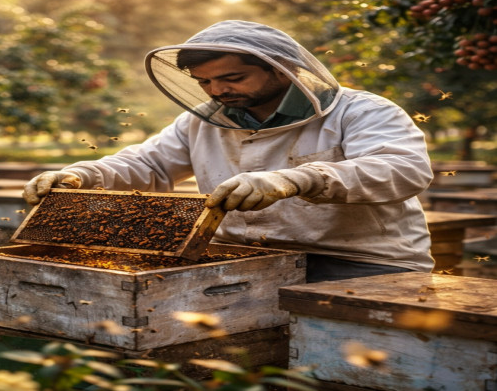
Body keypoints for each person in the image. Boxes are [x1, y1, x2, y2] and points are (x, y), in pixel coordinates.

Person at [22, 20, 435, 283]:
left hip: (361, 262)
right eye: (205, 82)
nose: (218, 90)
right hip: (244, 260)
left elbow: (404, 169)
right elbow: (147, 163)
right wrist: (82, 175)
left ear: (282, 68)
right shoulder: (204, 119)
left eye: (233, 77)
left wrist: (297, 178)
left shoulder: (361, 110)